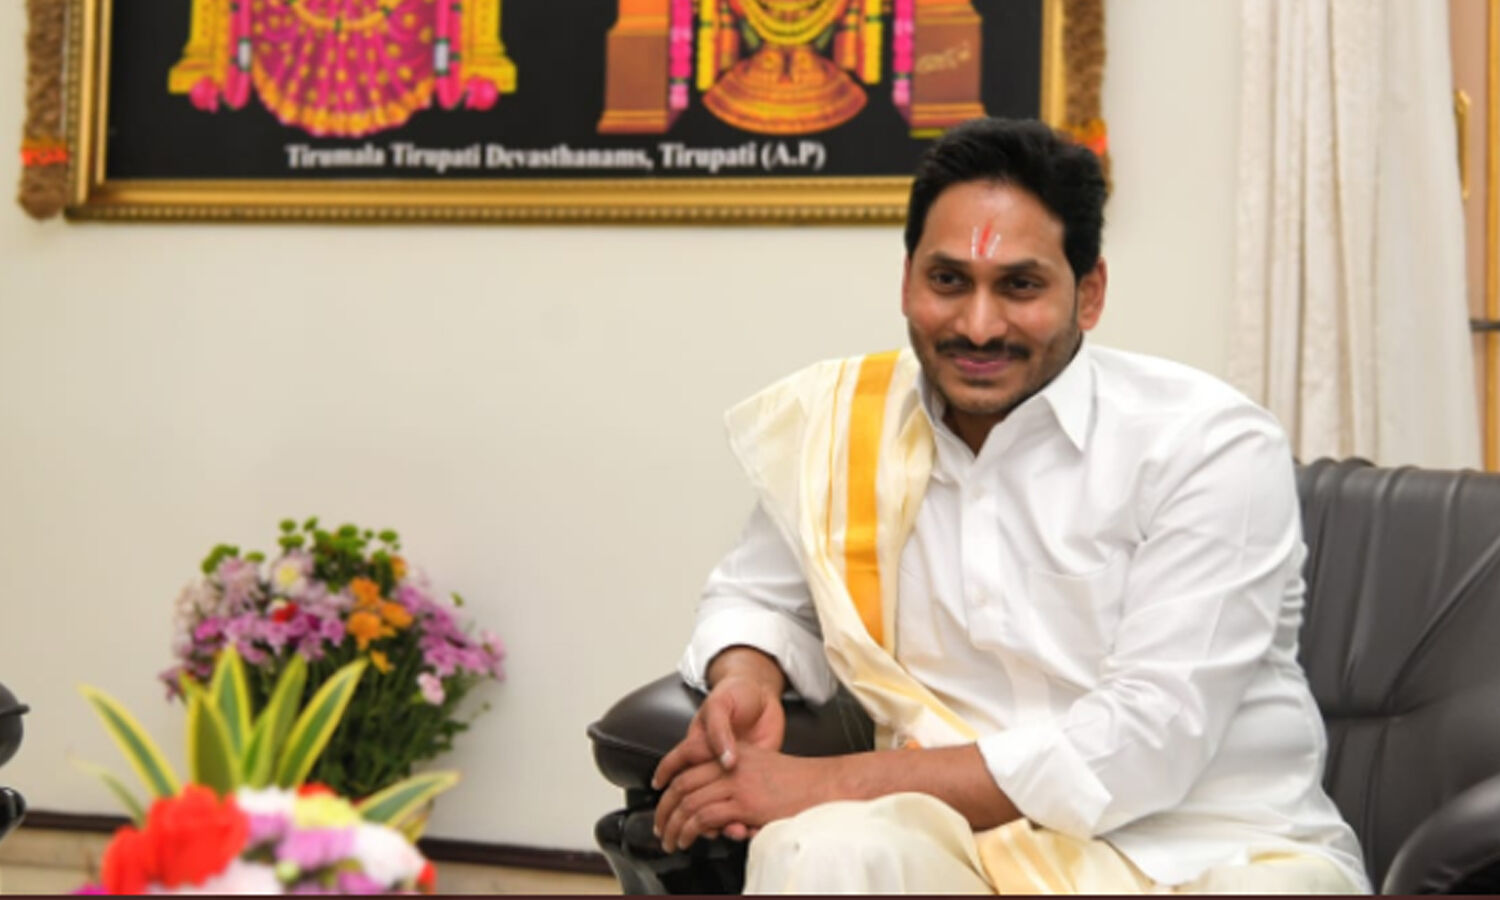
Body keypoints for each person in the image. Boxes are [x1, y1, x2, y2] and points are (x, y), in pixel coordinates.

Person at [650, 117, 1370, 894]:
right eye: (948, 280)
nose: (978, 325)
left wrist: (824, 782)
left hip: (1203, 849)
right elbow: (756, 597)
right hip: (959, 838)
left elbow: (1143, 745)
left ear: (1089, 293)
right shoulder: (849, 426)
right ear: (907, 280)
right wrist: (749, 675)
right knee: (818, 850)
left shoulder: (1206, 445)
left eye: (1020, 286)